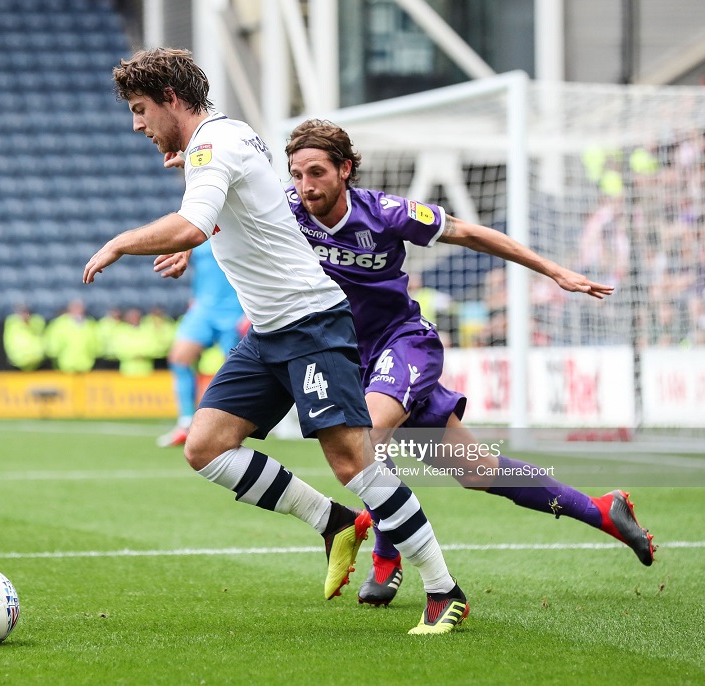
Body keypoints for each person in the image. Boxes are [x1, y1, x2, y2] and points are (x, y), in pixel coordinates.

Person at [84, 48, 468, 635]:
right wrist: (195, 232)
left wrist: (119, 241)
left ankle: (445, 590)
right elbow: (243, 205)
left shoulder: (213, 145)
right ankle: (334, 523)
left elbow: (195, 218)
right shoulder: (227, 137)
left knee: (353, 460)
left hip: (311, 322)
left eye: (141, 110)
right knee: (206, 446)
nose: (138, 124)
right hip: (268, 330)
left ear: (170, 98)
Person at [284, 119, 656, 607]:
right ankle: (603, 512)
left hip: (401, 345)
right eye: (296, 174)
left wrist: (553, 270)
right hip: (346, 357)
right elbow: (226, 221)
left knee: (367, 436)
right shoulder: (288, 211)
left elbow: (470, 233)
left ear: (345, 170)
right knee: (479, 470)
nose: (306, 186)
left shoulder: (388, 213)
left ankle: (386, 555)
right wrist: (187, 244)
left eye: (316, 172)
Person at [156, 241, 245, 447]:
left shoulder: (238, 220)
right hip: (204, 307)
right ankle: (185, 423)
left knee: (235, 369)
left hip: (236, 307)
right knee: (179, 358)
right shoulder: (199, 225)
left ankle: (230, 427)